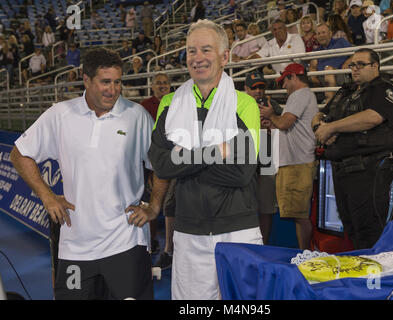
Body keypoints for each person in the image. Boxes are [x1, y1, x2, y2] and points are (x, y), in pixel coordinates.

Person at [10, 47, 159, 300]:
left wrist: (154, 206)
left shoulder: (137, 116)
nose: (112, 90)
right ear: (86, 80)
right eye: (105, 82)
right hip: (75, 247)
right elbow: (19, 154)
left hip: (126, 243)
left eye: (117, 82)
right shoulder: (60, 114)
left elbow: (161, 167)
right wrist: (47, 196)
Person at [149, 19, 262, 300]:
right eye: (191, 51)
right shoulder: (169, 103)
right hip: (189, 231)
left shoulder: (244, 104)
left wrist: (183, 162)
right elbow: (161, 165)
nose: (197, 58)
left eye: (206, 50)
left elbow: (241, 172)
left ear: (225, 56)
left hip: (239, 229)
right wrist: (217, 151)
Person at [312, 48, 393, 250]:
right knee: (350, 227)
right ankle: (361, 276)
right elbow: (320, 114)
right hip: (341, 169)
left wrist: (333, 127)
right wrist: (321, 128)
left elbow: (373, 117)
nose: (355, 69)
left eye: (361, 64)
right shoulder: (346, 91)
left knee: (369, 230)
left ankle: (375, 278)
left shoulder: (383, 90)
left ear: (375, 66)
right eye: (352, 64)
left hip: (368, 171)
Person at [259, 63, 317, 250]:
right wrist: (272, 124)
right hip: (294, 161)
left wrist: (271, 115)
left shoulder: (300, 95)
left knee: (299, 215)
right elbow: (284, 127)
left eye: (284, 80)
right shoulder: (302, 96)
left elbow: (284, 123)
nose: (283, 86)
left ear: (293, 77)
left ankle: (305, 254)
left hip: (297, 162)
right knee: (296, 214)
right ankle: (305, 253)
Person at [140, 72, 175, 270]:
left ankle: (170, 250)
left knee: (170, 206)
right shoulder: (144, 106)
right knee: (148, 202)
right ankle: (151, 241)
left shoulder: (177, 102)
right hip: (149, 162)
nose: (162, 86)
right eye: (158, 83)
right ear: (152, 87)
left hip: (175, 161)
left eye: (165, 83)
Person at [244, 71, 283, 244]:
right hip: (246, 158)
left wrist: (272, 122)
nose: (258, 91)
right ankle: (250, 243)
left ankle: (264, 244)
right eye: (254, 88)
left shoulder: (272, 104)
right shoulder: (239, 105)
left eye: (261, 87)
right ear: (246, 89)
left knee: (266, 207)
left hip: (267, 156)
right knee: (247, 206)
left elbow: (284, 127)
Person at [309, 23, 353, 103]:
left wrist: (347, 62)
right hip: (322, 79)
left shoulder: (341, 42)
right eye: (318, 34)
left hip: (340, 75)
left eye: (323, 32)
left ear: (330, 33)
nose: (321, 35)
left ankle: (329, 103)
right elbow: (312, 67)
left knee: (328, 69)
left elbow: (355, 55)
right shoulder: (316, 51)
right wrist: (313, 76)